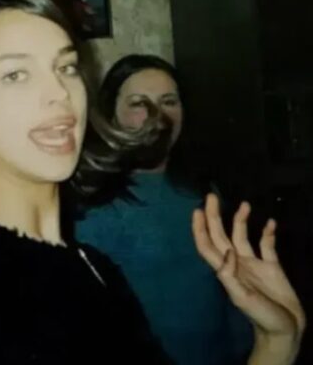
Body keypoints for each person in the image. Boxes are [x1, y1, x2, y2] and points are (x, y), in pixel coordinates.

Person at [0, 0, 305, 365]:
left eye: (67, 67)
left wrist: (277, 340)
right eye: (16, 74)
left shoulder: (93, 268)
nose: (59, 92)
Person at [76, 55, 255, 365]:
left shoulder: (203, 190)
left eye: (169, 101)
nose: (157, 115)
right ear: (110, 116)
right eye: (138, 103)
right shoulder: (92, 205)